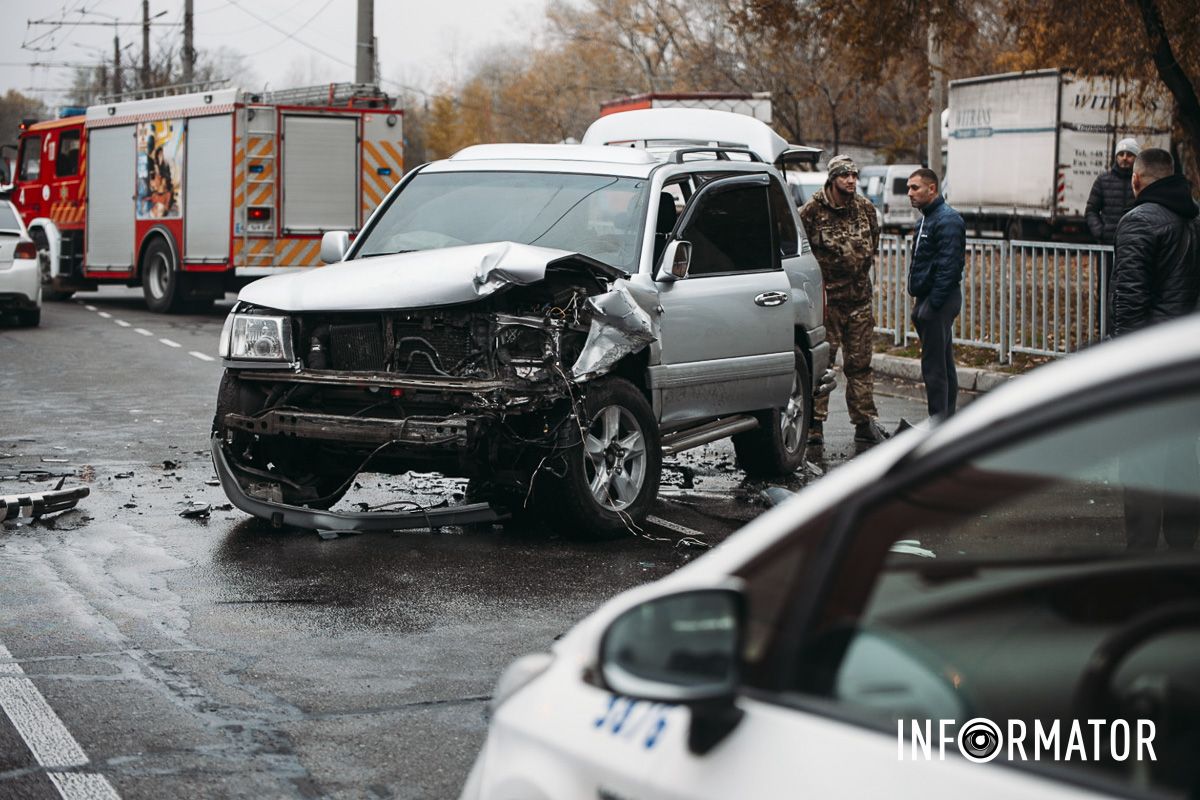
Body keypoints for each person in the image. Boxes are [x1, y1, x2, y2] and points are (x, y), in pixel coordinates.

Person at [1111, 147, 1200, 551]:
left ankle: (1140, 556)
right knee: (1184, 457)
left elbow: (1129, 303)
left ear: (1137, 179)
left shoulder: (1139, 221)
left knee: (1144, 460)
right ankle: (1183, 548)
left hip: (1150, 364)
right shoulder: (1196, 218)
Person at [799, 155, 889, 445]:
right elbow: (802, 252)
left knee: (860, 364)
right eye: (844, 175)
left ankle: (864, 422)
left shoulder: (864, 208)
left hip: (859, 300)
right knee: (823, 366)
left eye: (853, 175)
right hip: (828, 303)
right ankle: (814, 424)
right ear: (832, 178)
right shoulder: (811, 211)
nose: (851, 180)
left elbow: (872, 242)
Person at [905, 168, 965, 419]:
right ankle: (946, 420)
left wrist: (932, 305)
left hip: (939, 301)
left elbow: (950, 266)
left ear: (932, 189)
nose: (910, 193)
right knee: (943, 363)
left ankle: (938, 422)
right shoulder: (926, 219)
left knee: (934, 367)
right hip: (928, 300)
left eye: (915, 188)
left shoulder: (948, 220)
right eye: (908, 188)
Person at [1086, 137, 1139, 334]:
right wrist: (1101, 231)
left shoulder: (1141, 181)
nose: (1125, 158)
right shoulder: (1103, 180)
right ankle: (1104, 330)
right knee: (1106, 290)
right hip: (1108, 247)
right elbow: (1091, 210)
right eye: (1121, 154)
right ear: (1116, 156)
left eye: (1130, 154)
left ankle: (1126, 332)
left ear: (1136, 157)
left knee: (1131, 289)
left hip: (1133, 246)